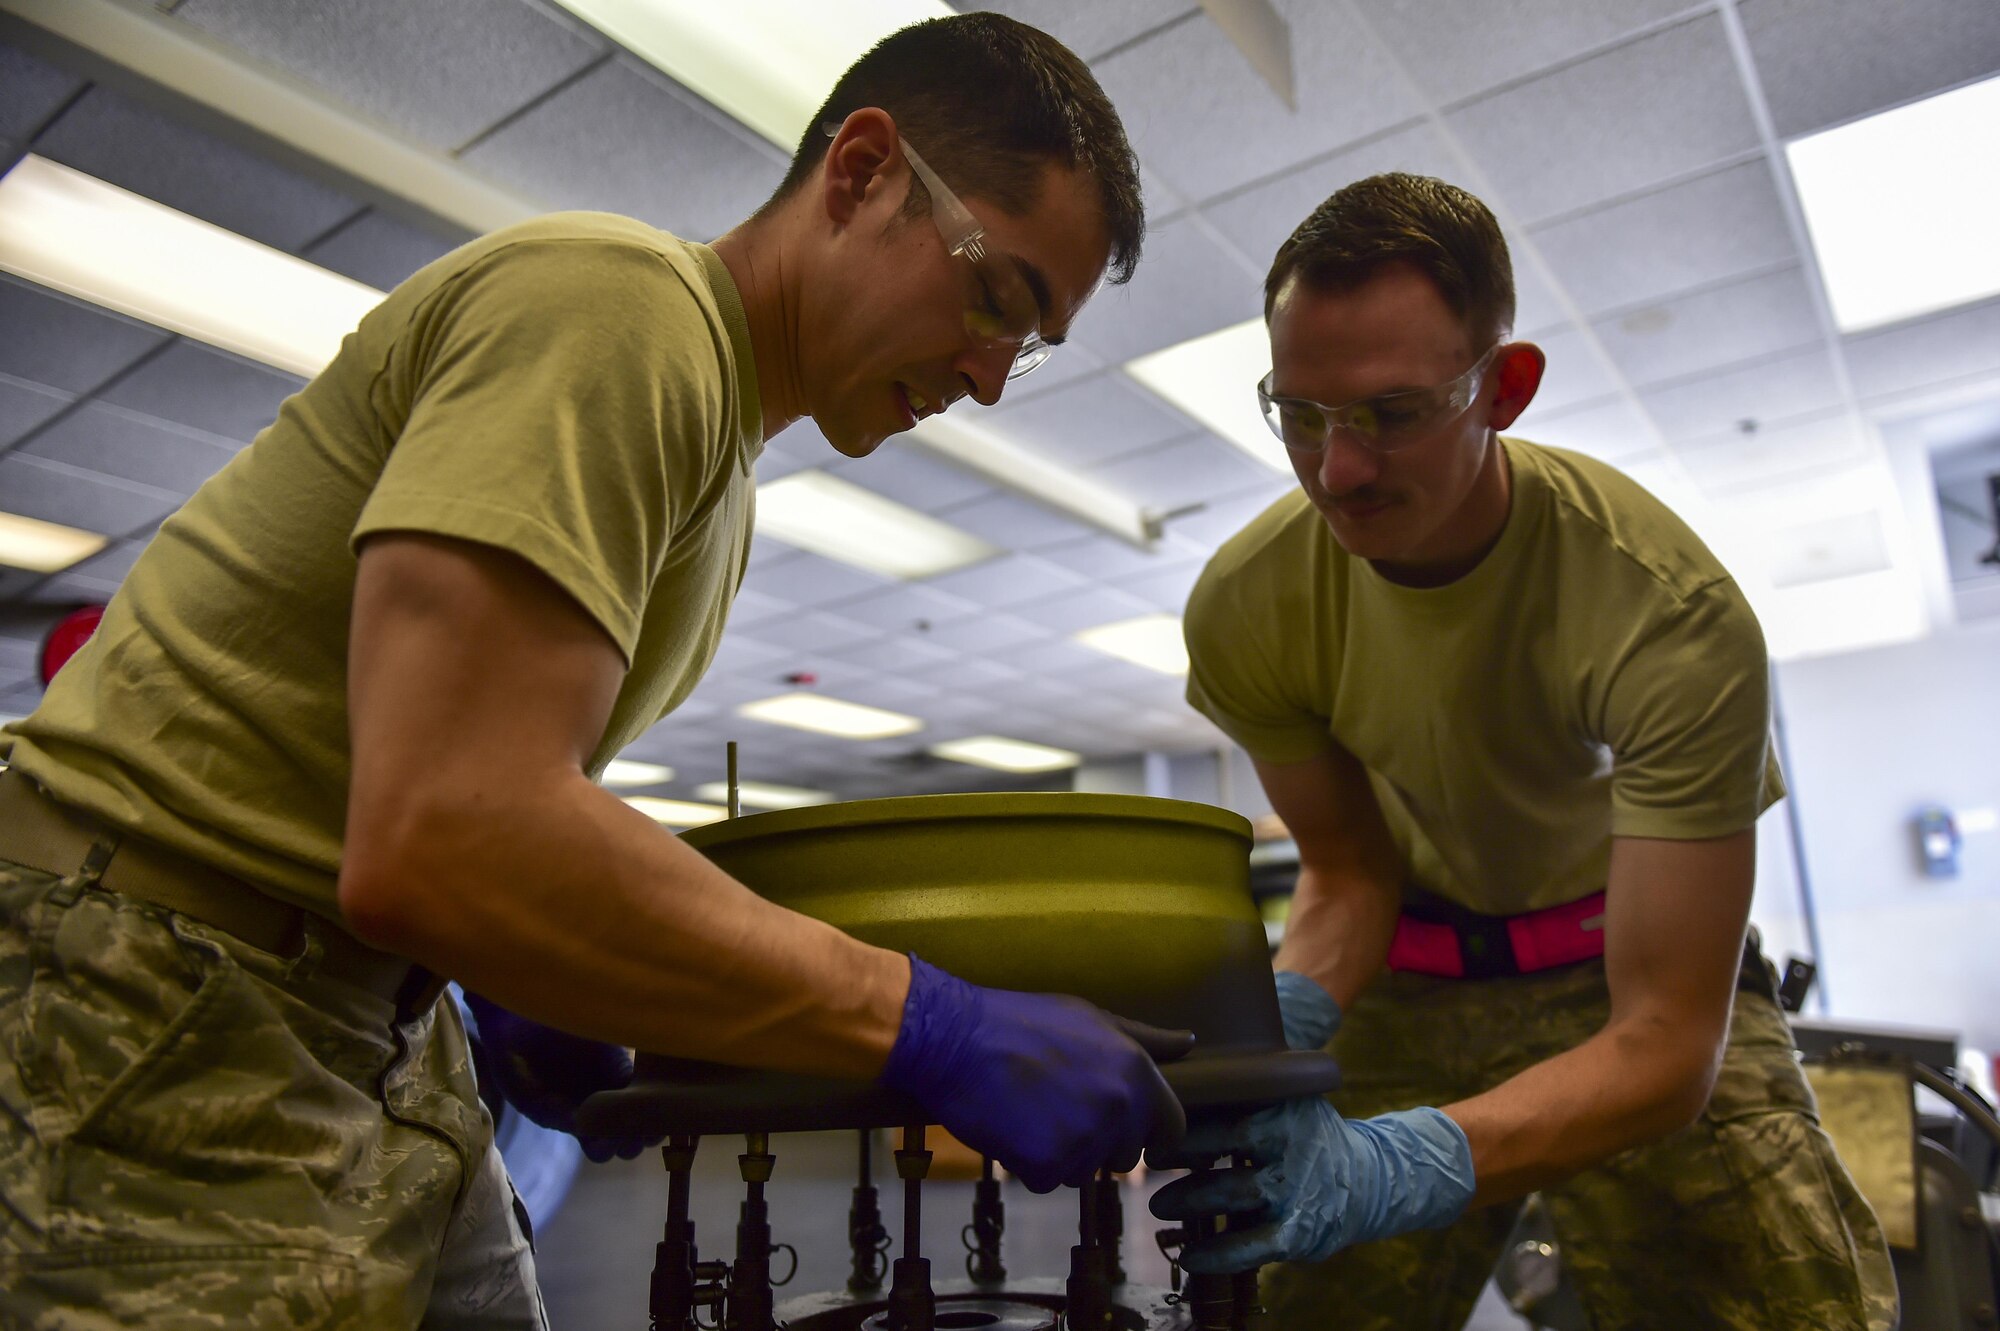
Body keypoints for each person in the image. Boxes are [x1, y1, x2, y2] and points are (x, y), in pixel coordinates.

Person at [0, 15, 1187, 1327]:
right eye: (996, 296)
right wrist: (932, 1020)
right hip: (146, 985)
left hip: (356, 1004)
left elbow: (461, 794)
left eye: (1029, 343)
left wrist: (521, 966)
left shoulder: (721, 481)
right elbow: (447, 831)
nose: (991, 376)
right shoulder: (623, 312)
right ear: (860, 173)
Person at [1150, 173, 1898, 1330]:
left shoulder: (1666, 610)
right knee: (1274, 1307)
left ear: (1502, 388)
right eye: (1299, 412)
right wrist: (1280, 1011)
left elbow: (1663, 1037)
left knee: (1800, 1306)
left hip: (1624, 980)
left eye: (1391, 411)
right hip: (1411, 971)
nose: (1335, 468)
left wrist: (1404, 1163)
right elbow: (1349, 873)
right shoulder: (1247, 607)